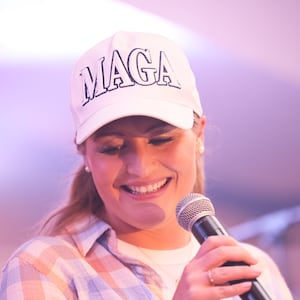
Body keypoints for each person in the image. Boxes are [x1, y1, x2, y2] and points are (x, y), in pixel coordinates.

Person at [0, 31, 293, 300]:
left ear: (199, 134)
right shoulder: (45, 268)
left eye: (161, 139)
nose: (141, 168)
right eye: (113, 147)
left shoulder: (256, 268)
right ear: (85, 155)